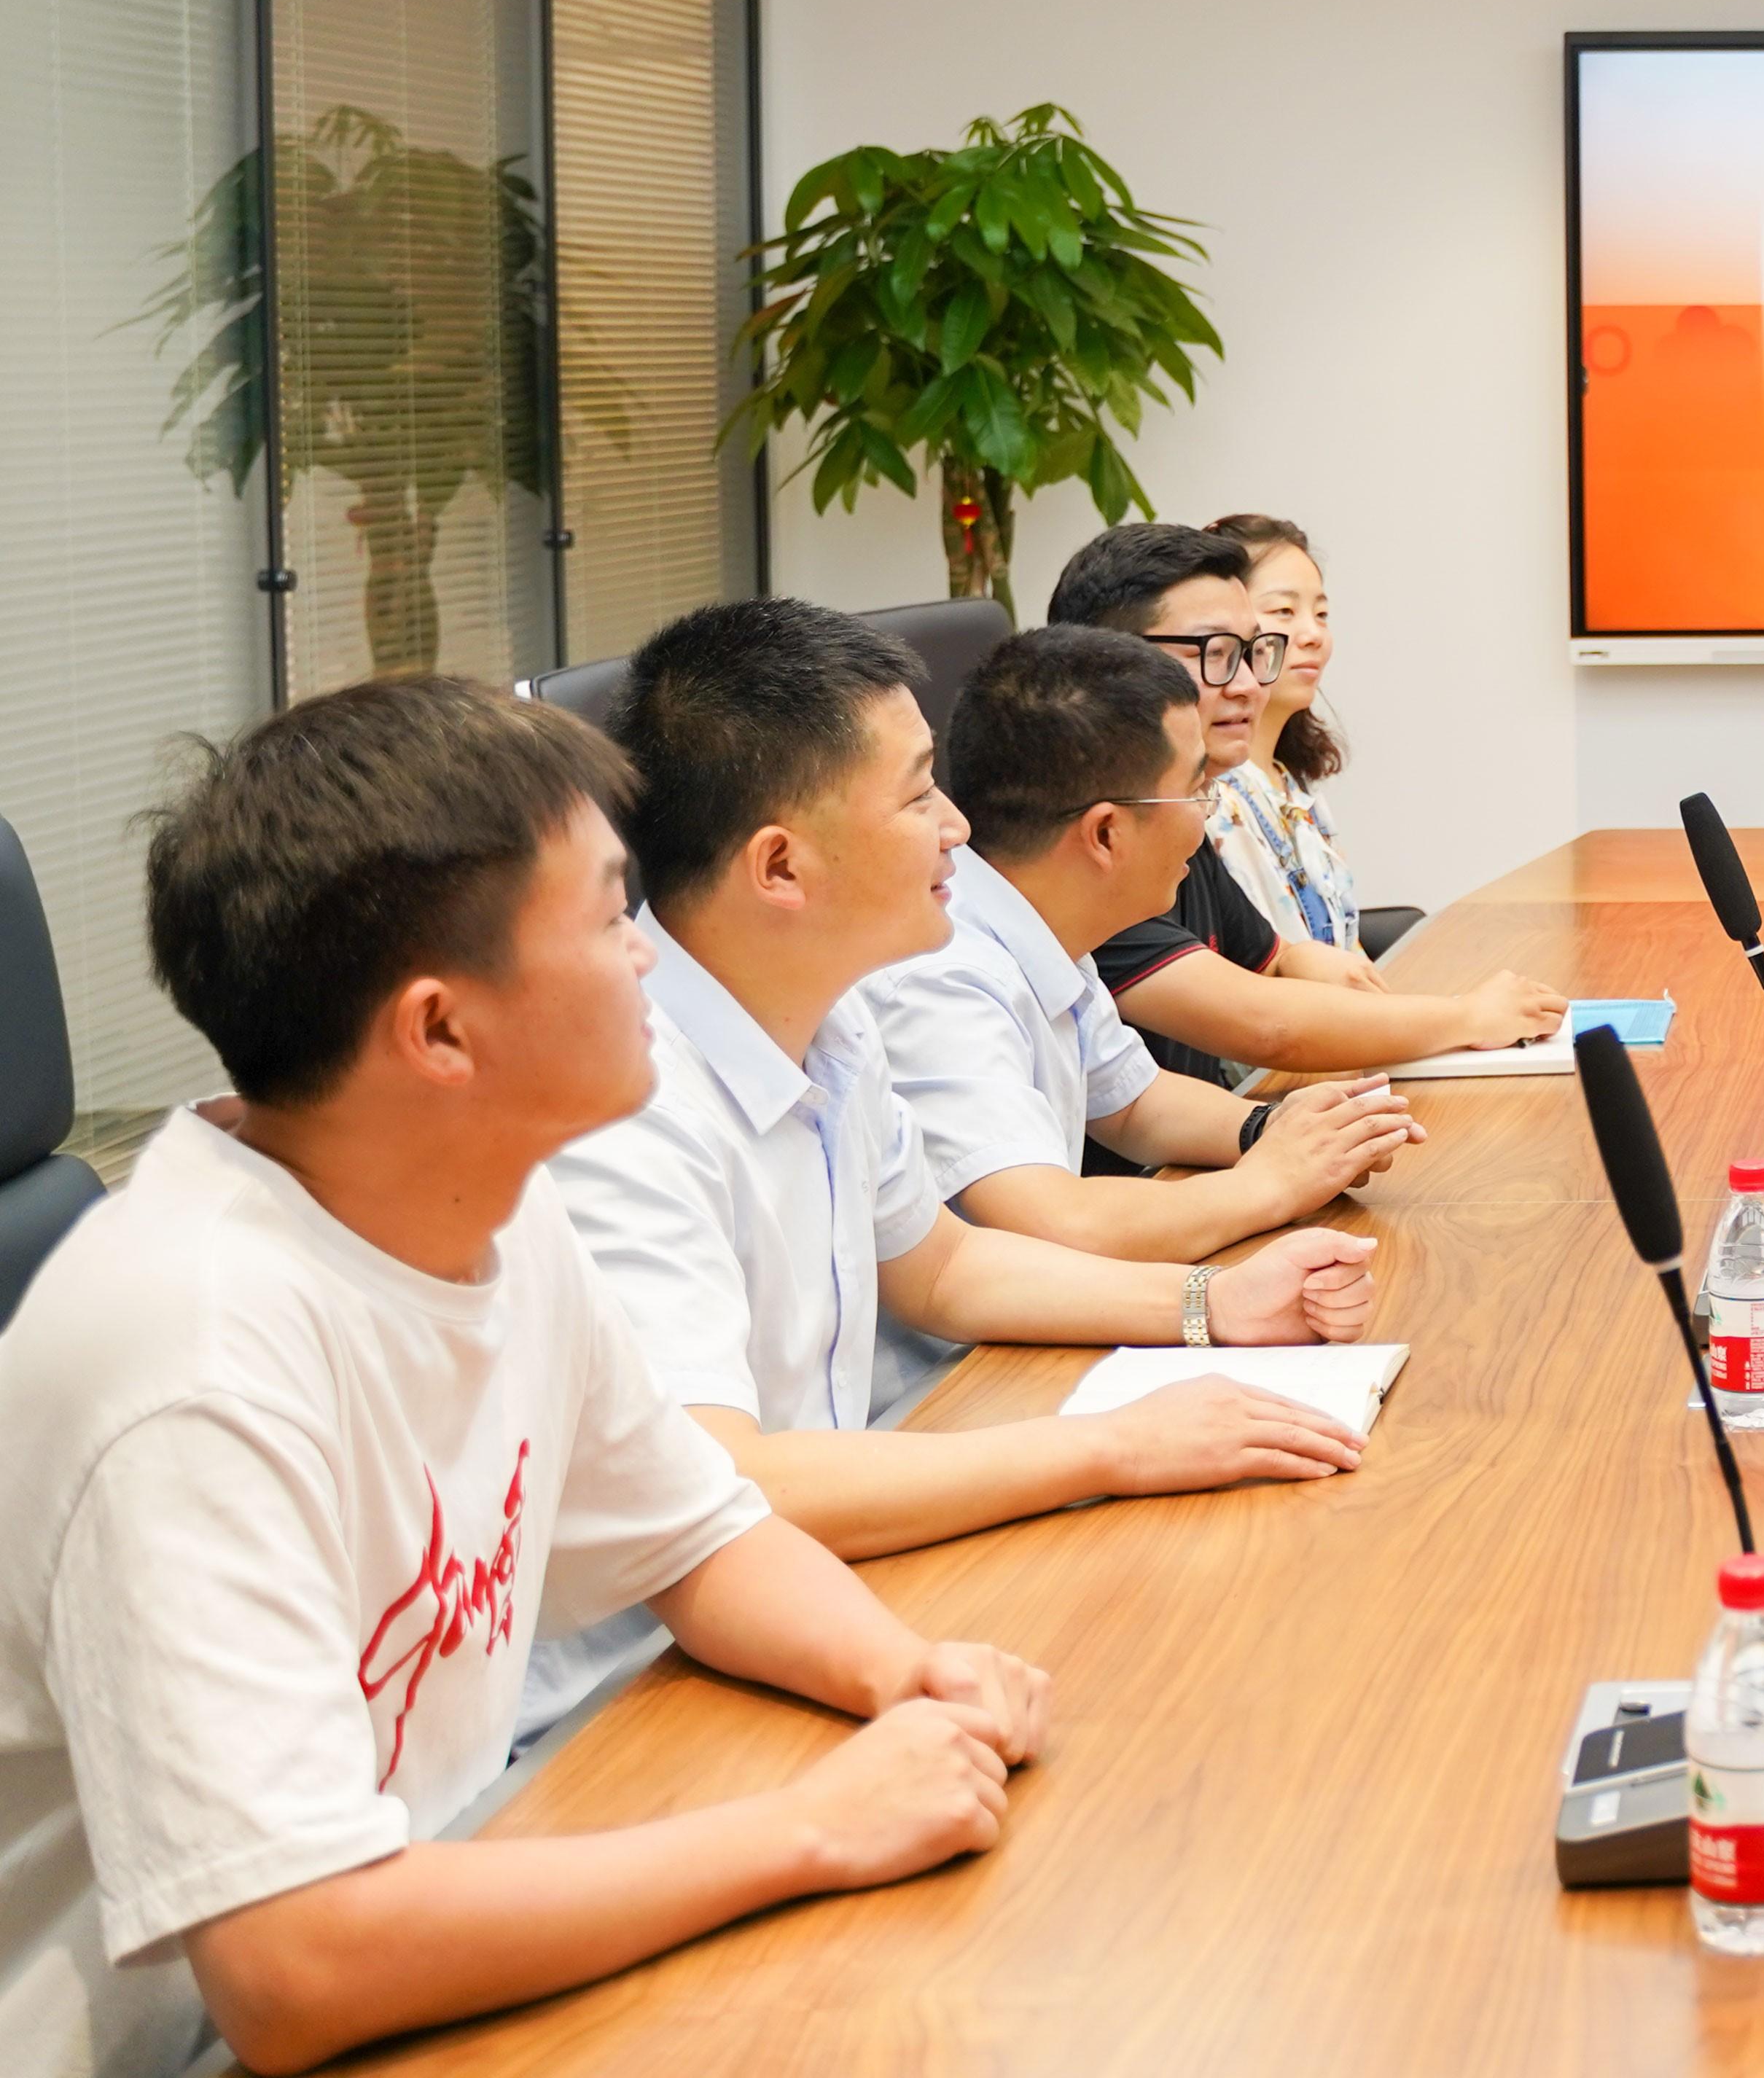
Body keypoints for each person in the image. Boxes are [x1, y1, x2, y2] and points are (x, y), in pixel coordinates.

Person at [0, 678, 1048, 2078]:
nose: (651, 958)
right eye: (613, 920)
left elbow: (699, 1537)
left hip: (418, 1916)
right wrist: (816, 1826)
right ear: (441, 1033)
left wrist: (906, 1676)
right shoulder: (193, 1360)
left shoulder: (490, 1207)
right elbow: (295, 1967)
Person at [528, 600, 1384, 1737]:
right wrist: (1116, 1446)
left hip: (830, 1578)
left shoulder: (829, 1020)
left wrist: (1210, 1303)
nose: (959, 828)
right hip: (632, 1702)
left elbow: (945, 1268)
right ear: (780, 866)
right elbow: (728, 1484)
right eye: (919, 795)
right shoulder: (625, 1110)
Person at [872, 625, 1427, 1262]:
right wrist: (1273, 1181)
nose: (1208, 814)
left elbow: (1135, 1104)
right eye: (1197, 789)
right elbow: (1059, 1224)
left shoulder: (1040, 918)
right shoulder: (941, 977)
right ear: (1106, 834)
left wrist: (1278, 1127)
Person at [1045, 524, 1557, 1087]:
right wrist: (1467, 1018)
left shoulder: (1179, 808)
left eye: (1253, 653)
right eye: (1217, 654)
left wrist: (1329, 970)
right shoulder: (1083, 844)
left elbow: (1278, 961)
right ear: (1111, 663)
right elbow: (1263, 1025)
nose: (1248, 686)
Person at [1203, 512, 1371, 958]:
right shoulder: (1210, 798)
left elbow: (1347, 950)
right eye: (1284, 611)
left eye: (1322, 614)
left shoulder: (1289, 787)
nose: (1314, 634)